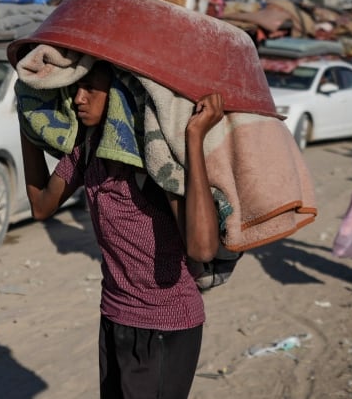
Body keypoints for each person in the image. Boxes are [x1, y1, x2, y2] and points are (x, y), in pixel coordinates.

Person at [19, 60, 223, 398]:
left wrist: (194, 137)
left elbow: (202, 249)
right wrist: (27, 121)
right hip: (114, 317)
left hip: (164, 326)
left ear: (117, 94)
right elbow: (41, 205)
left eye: (91, 88)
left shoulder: (153, 160)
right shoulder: (88, 152)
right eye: (75, 89)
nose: (78, 99)